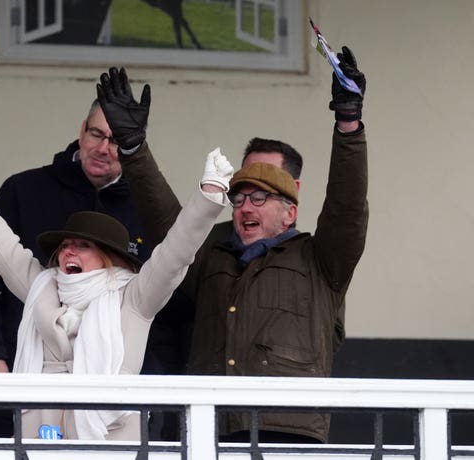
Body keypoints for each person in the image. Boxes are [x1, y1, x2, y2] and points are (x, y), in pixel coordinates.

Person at [108, 46, 369, 443]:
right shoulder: (212, 251)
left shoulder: (320, 259)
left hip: (289, 431)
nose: (246, 206)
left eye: (260, 198)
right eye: (240, 197)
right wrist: (133, 149)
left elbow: (347, 206)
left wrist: (348, 123)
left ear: (289, 210)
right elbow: (170, 227)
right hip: (210, 425)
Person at [0, 144, 233, 440]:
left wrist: (209, 194)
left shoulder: (133, 295)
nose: (69, 252)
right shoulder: (43, 287)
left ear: (109, 257)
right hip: (42, 434)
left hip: (111, 435)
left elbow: (176, 252)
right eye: (65, 246)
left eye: (83, 246)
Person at [0, 85, 180, 436]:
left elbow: (170, 293)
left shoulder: (147, 208)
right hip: (21, 381)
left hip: (118, 404)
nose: (104, 148)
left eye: (117, 139)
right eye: (96, 133)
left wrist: (153, 379)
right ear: (81, 131)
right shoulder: (25, 190)